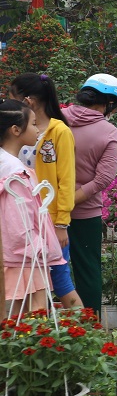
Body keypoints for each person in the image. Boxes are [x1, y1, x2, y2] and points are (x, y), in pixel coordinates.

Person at [8, 73, 82, 308]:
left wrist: (61, 224)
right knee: (31, 284)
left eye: (12, 98)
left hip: (49, 220)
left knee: (60, 282)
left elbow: (66, 181)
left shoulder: (59, 131)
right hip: (23, 220)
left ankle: (89, 332)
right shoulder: (16, 131)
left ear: (28, 101)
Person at [65, 74, 117, 313]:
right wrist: (71, 200)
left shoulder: (55, 120)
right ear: (109, 103)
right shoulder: (107, 131)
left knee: (45, 271)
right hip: (84, 214)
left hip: (46, 208)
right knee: (87, 271)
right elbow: (103, 178)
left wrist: (59, 202)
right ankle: (89, 329)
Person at [1, 100, 67, 314]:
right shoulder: (15, 171)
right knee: (37, 310)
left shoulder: (6, 163)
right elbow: (18, 217)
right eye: (34, 124)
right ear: (15, 130)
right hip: (27, 251)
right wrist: (37, 246)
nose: (38, 130)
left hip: (17, 250)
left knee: (18, 311)